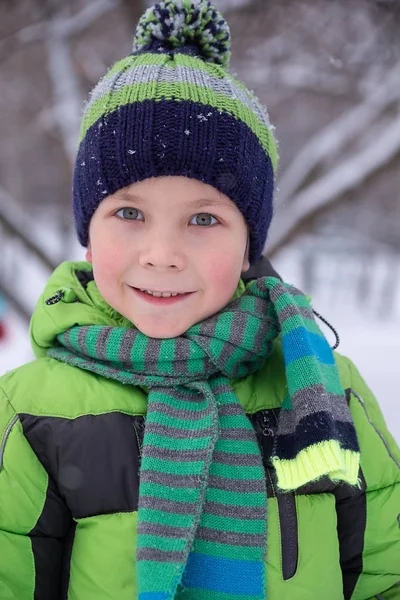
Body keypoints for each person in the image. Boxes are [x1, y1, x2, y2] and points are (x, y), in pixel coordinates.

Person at [0, 1, 399, 599]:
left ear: (248, 248)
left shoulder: (320, 388)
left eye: (204, 219)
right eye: (129, 212)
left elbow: (382, 573)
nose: (162, 253)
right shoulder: (35, 412)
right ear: (87, 233)